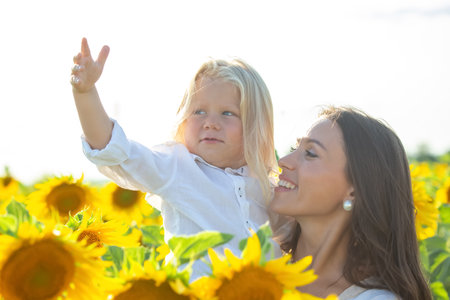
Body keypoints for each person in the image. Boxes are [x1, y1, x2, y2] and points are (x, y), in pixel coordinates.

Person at [70, 38, 279, 277]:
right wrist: (85, 93)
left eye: (227, 113)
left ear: (256, 125)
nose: (211, 123)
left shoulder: (266, 186)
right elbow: (114, 151)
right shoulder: (176, 167)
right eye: (199, 111)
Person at [269, 106, 432, 300]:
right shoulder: (249, 260)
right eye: (295, 149)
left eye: (311, 153)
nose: (284, 161)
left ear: (354, 190)